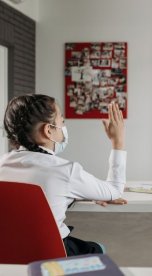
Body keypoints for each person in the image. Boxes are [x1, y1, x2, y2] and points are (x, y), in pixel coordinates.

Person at [0, 94, 127, 256]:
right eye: (62, 121)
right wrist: (118, 142)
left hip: (6, 254)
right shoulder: (65, 171)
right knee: (97, 248)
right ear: (48, 130)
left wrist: (80, 194)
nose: (64, 126)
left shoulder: (2, 163)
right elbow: (115, 190)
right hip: (51, 254)